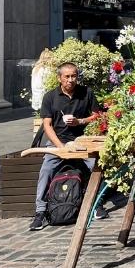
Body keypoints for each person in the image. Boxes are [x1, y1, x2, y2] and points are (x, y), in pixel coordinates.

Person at [29, 62, 106, 231]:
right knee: (46, 170)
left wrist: (80, 121)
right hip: (58, 142)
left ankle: (96, 204)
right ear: (59, 78)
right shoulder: (50, 97)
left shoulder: (86, 93)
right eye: (67, 77)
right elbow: (47, 125)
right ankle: (40, 213)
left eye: (74, 76)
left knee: (96, 166)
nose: (71, 80)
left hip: (83, 141)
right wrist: (60, 147)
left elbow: (97, 116)